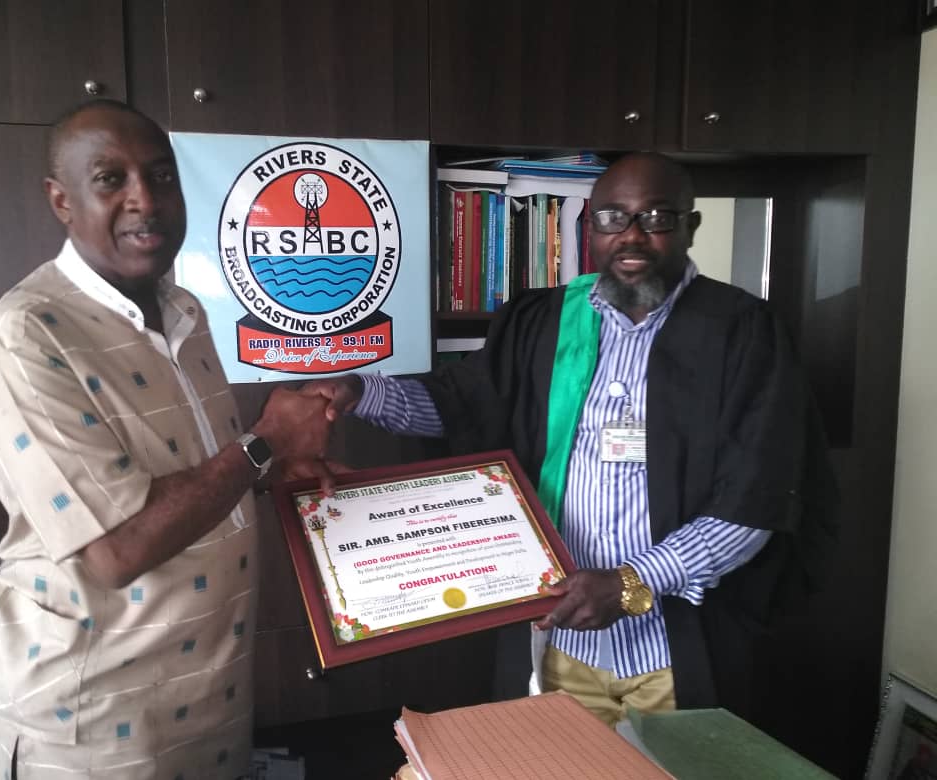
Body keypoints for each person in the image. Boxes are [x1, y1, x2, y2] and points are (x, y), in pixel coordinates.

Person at [302, 152, 838, 727]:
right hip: (559, 643)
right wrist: (361, 393)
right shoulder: (545, 321)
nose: (631, 235)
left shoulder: (743, 331)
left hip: (679, 644)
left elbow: (756, 500)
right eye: (612, 217)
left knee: (679, 768)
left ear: (690, 226)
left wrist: (632, 584)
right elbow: (461, 403)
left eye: (656, 217)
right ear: (592, 228)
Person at [0, 99, 333, 779]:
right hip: (90, 734)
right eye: (111, 179)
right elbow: (118, 547)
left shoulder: (183, 310)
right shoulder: (23, 337)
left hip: (211, 709)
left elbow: (190, 477)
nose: (145, 200)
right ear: (61, 200)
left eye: (161, 176)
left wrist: (266, 472)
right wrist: (265, 442)